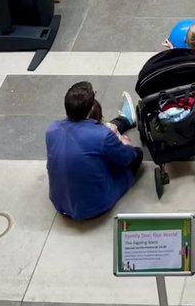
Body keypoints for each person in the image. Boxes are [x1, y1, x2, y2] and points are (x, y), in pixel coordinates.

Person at [46, 81, 140, 221]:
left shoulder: (51, 129)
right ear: (90, 111)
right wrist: (124, 143)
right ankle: (125, 120)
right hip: (94, 206)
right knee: (137, 154)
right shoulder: (102, 136)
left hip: (60, 203)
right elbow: (126, 158)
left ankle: (124, 120)